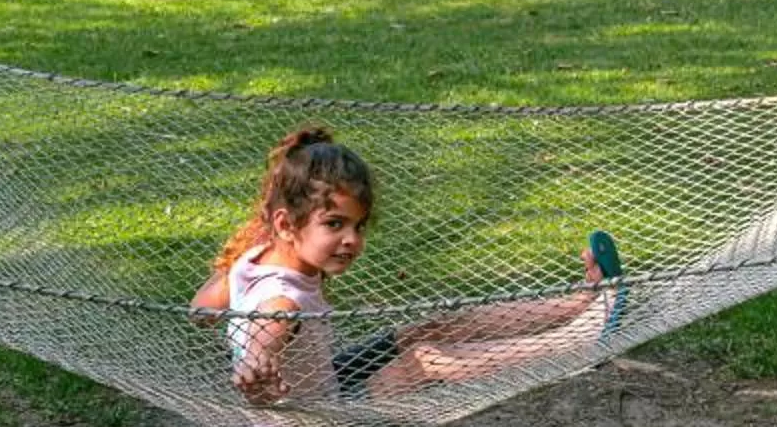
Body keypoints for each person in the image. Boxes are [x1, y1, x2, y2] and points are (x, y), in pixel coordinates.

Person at [191, 126, 622, 412]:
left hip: (322, 385)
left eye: (358, 226)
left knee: (429, 328)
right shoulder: (282, 299)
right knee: (422, 360)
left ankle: (576, 304)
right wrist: (255, 361)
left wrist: (232, 310)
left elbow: (200, 310)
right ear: (287, 225)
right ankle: (577, 339)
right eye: (335, 224)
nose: (351, 240)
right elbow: (269, 327)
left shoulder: (254, 255)